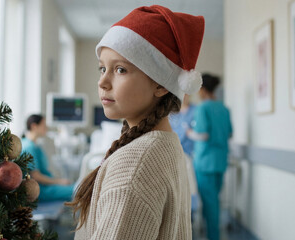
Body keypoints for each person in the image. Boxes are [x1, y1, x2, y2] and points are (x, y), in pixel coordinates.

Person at [66, 5, 205, 240]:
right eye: (102, 68)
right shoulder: (166, 145)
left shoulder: (134, 166)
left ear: (161, 84)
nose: (103, 82)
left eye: (120, 69)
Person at [188, 74, 233, 240]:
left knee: (210, 204)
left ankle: (214, 236)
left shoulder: (203, 108)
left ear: (203, 89)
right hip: (220, 161)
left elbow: (203, 135)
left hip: (205, 162)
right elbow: (229, 133)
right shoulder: (224, 108)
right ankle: (212, 234)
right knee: (214, 201)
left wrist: (189, 133)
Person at [22, 114, 74, 202]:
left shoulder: (30, 144)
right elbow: (36, 176)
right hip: (40, 190)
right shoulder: (29, 147)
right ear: (34, 126)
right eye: (44, 125)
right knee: (79, 190)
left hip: (45, 187)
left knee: (77, 187)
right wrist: (59, 182)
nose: (46, 128)